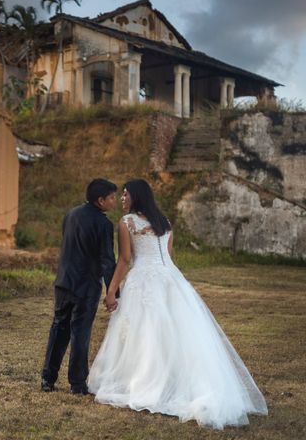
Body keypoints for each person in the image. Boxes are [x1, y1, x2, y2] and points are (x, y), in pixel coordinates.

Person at [87, 179, 268, 429]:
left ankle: (145, 381)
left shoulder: (127, 222)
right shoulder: (166, 223)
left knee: (145, 332)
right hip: (171, 279)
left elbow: (125, 259)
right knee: (176, 332)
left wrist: (111, 291)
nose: (122, 199)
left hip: (144, 281)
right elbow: (168, 257)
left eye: (126, 194)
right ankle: (173, 380)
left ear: (136, 197)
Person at [41, 178, 117, 394]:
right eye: (112, 198)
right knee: (80, 333)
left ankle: (48, 378)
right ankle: (77, 383)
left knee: (58, 329)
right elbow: (107, 260)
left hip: (64, 281)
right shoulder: (104, 224)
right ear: (100, 200)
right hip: (86, 286)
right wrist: (114, 291)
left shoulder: (70, 215)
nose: (114, 202)